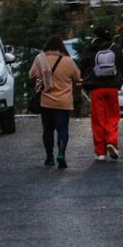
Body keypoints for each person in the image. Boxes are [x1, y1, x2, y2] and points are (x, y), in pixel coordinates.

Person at [29, 36, 80, 168]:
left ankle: (49, 157)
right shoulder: (68, 61)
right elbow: (77, 76)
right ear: (61, 47)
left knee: (48, 130)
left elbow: (31, 75)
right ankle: (61, 153)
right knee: (62, 128)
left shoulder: (40, 59)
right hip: (63, 103)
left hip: (46, 102)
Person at [82, 26, 123, 161]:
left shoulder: (91, 49)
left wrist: (87, 82)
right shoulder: (116, 48)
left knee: (98, 120)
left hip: (96, 89)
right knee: (113, 116)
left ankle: (100, 152)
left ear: (96, 35)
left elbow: (83, 66)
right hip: (112, 88)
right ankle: (112, 142)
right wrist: (117, 81)